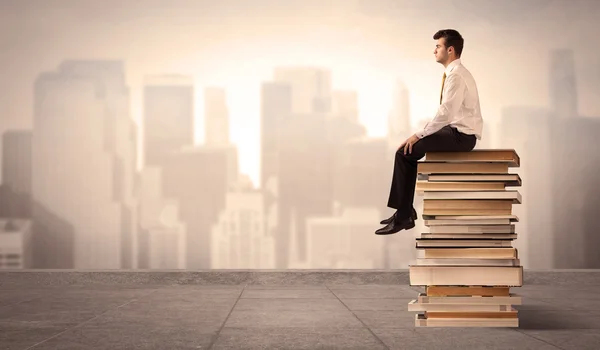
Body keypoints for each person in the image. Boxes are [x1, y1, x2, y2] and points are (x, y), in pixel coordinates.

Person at [375, 29, 483, 235]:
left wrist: (418, 134)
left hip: (461, 137)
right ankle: (404, 212)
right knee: (408, 151)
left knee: (404, 152)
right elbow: (448, 114)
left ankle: (404, 215)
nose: (434, 50)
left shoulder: (457, 76)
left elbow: (446, 113)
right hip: (456, 132)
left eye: (438, 46)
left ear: (450, 50)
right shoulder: (454, 73)